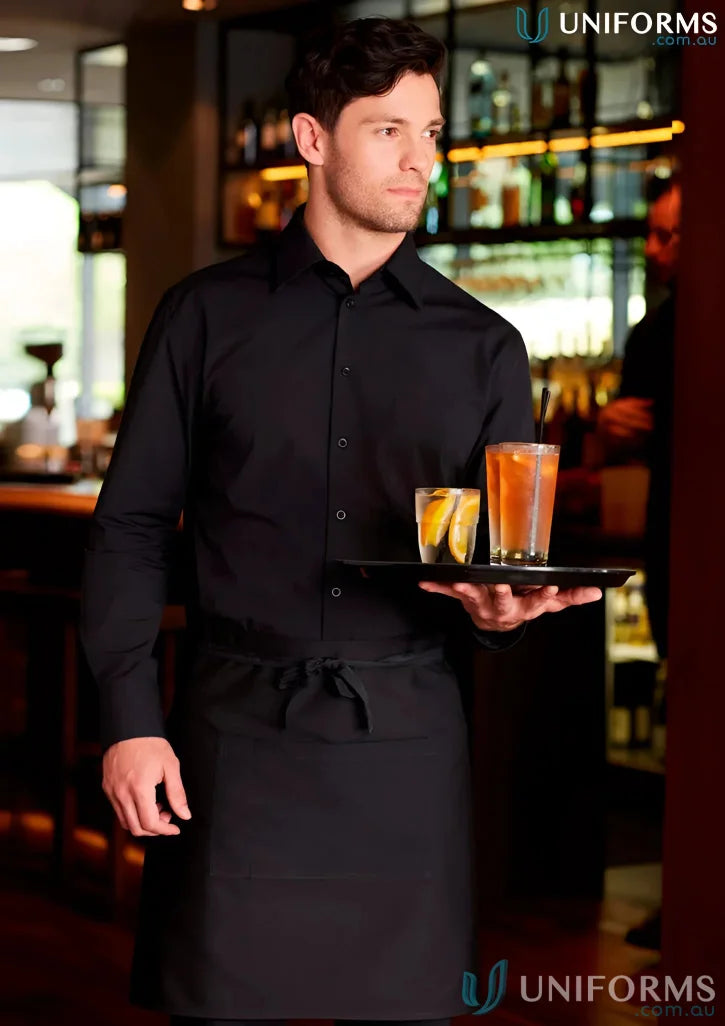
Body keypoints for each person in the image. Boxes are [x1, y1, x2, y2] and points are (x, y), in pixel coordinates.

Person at [80, 17, 602, 1026]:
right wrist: (130, 723)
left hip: (406, 746)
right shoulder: (202, 317)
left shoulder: (484, 347)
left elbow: (496, 560)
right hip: (233, 739)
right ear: (311, 140)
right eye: (388, 130)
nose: (421, 160)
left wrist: (500, 610)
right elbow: (132, 526)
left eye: (433, 132)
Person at [598, 177, 681, 951]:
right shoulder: (653, 331)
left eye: (669, 236)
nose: (654, 250)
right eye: (652, 235)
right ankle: (684, 896)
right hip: (669, 548)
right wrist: (614, 427)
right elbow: (622, 430)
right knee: (676, 723)